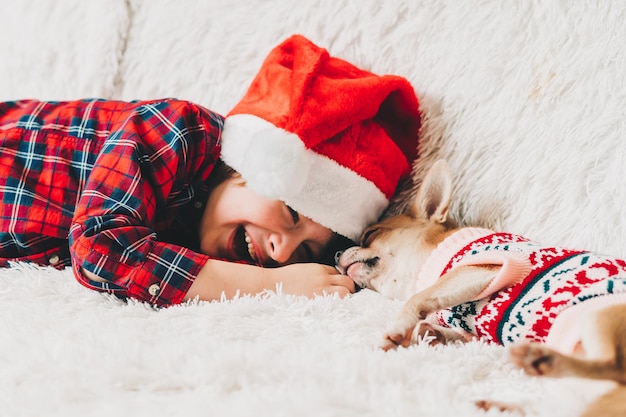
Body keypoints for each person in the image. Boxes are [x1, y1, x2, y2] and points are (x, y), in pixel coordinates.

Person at [0, 34, 421, 307]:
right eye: (292, 215)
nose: (282, 253)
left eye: (305, 253)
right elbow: (100, 249)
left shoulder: (202, 240)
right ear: (247, 168)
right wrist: (271, 287)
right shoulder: (177, 132)